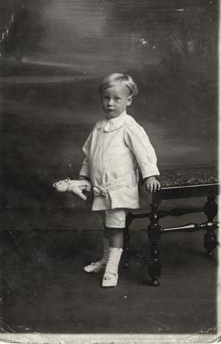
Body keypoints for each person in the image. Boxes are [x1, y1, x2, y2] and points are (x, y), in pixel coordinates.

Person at [79, 73, 160, 287]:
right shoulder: (98, 127)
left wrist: (150, 174)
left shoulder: (129, 126)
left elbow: (144, 152)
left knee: (115, 228)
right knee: (106, 227)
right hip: (100, 189)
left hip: (118, 188)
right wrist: (83, 176)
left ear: (129, 100)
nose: (110, 103)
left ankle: (112, 270)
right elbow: (90, 155)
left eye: (117, 98)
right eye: (106, 98)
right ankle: (106, 260)